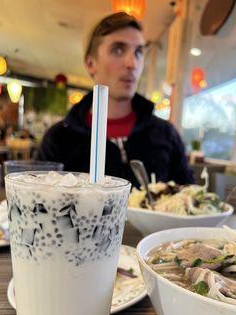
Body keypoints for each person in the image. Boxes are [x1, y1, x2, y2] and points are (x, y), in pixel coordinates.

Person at [36, 12, 195, 186]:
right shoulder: (59, 139)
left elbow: (189, 194)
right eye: (118, 50)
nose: (132, 64)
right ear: (91, 64)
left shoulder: (165, 134)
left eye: (138, 52)